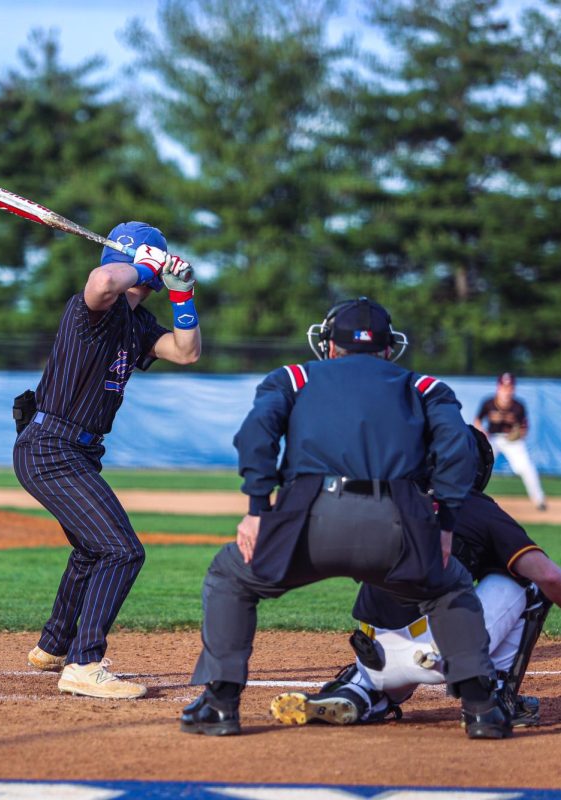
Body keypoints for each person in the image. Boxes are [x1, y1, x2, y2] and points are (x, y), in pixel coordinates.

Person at [182, 297, 512, 740]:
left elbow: (255, 435)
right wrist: (446, 522)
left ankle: (220, 705)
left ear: (330, 345)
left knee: (230, 574)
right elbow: (459, 450)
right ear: (387, 348)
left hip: (310, 517)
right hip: (398, 522)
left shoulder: (294, 377)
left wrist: (258, 509)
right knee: (450, 586)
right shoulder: (425, 387)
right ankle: (482, 711)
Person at [270, 429, 561, 728]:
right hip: (440, 652)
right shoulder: (477, 508)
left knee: (394, 637)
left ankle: (360, 690)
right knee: (527, 581)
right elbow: (550, 576)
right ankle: (493, 697)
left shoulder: (387, 496)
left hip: (374, 651)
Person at [16, 221, 201, 700]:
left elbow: (186, 352)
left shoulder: (137, 324)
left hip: (75, 451)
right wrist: (147, 265)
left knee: (92, 549)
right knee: (123, 551)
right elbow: (101, 284)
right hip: (51, 447)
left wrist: (184, 295)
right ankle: (84, 664)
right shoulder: (94, 308)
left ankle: (53, 646)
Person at [474, 372, 547, 510]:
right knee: (477, 466)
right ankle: (468, 497)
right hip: (492, 439)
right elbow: (477, 421)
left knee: (527, 468)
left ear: (513, 389)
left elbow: (524, 428)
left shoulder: (519, 406)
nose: (507, 391)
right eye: (504, 387)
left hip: (512, 441)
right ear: (498, 387)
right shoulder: (488, 403)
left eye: (510, 387)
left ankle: (539, 500)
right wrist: (483, 432)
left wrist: (518, 434)